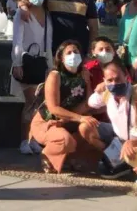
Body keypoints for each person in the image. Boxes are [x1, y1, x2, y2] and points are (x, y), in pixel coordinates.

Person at [29, 40, 103, 174]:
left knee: (90, 129)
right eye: (69, 53)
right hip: (48, 122)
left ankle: (72, 159)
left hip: (69, 121)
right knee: (65, 140)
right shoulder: (55, 75)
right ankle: (47, 155)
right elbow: (53, 108)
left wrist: (87, 82)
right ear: (61, 58)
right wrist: (80, 117)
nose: (73, 55)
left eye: (76, 52)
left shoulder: (83, 75)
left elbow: (89, 103)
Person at [11, 0, 52, 155]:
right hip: (26, 62)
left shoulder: (47, 13)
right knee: (30, 102)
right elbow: (17, 40)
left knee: (39, 104)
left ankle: (34, 138)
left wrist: (51, 65)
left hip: (43, 62)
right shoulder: (22, 14)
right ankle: (23, 140)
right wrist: (17, 62)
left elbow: (48, 41)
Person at [87, 59, 135, 179]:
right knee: (86, 127)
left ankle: (130, 163)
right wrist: (100, 89)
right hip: (116, 136)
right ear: (104, 80)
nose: (114, 83)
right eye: (110, 80)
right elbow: (91, 102)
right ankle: (112, 155)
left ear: (126, 76)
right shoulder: (108, 93)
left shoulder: (136, 93)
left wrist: (132, 142)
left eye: (118, 79)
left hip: (136, 139)